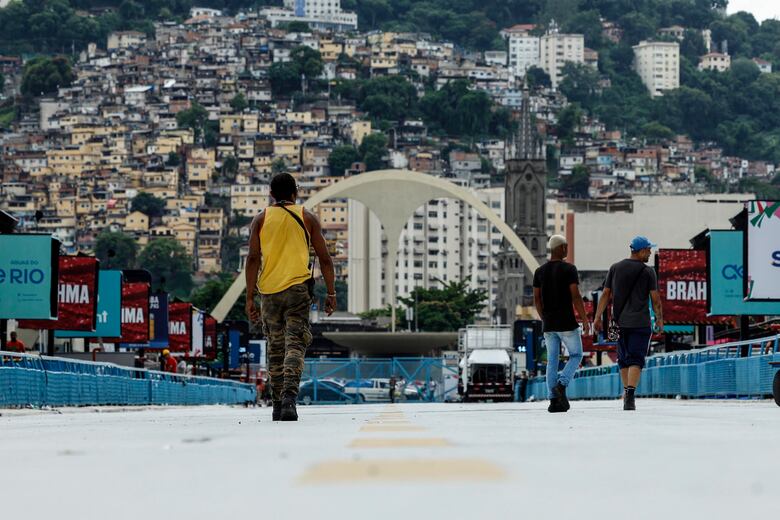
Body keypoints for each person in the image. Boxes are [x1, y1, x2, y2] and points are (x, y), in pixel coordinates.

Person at [245, 173, 336, 422]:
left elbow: (253, 258)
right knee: (294, 344)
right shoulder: (307, 217)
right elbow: (325, 258)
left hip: (269, 292)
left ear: (271, 194)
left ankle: (276, 404)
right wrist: (331, 292)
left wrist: (250, 297)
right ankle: (289, 399)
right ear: (295, 192)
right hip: (297, 290)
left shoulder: (260, 219)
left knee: (275, 347)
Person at [594, 236, 664, 411]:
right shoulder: (648, 272)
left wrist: (597, 317)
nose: (649, 253)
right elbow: (655, 300)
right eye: (648, 250)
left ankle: (626, 392)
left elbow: (605, 295)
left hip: (619, 322)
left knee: (623, 359)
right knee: (636, 359)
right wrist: (660, 319)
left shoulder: (615, 268)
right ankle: (630, 395)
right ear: (640, 251)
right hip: (640, 323)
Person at [533, 235, 590, 413]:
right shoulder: (569, 269)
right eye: (565, 246)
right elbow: (575, 295)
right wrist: (585, 319)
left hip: (549, 325)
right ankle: (562, 384)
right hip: (566, 323)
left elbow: (537, 298)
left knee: (552, 361)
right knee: (576, 355)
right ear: (562, 248)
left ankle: (553, 400)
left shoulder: (539, 271)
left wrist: (544, 317)